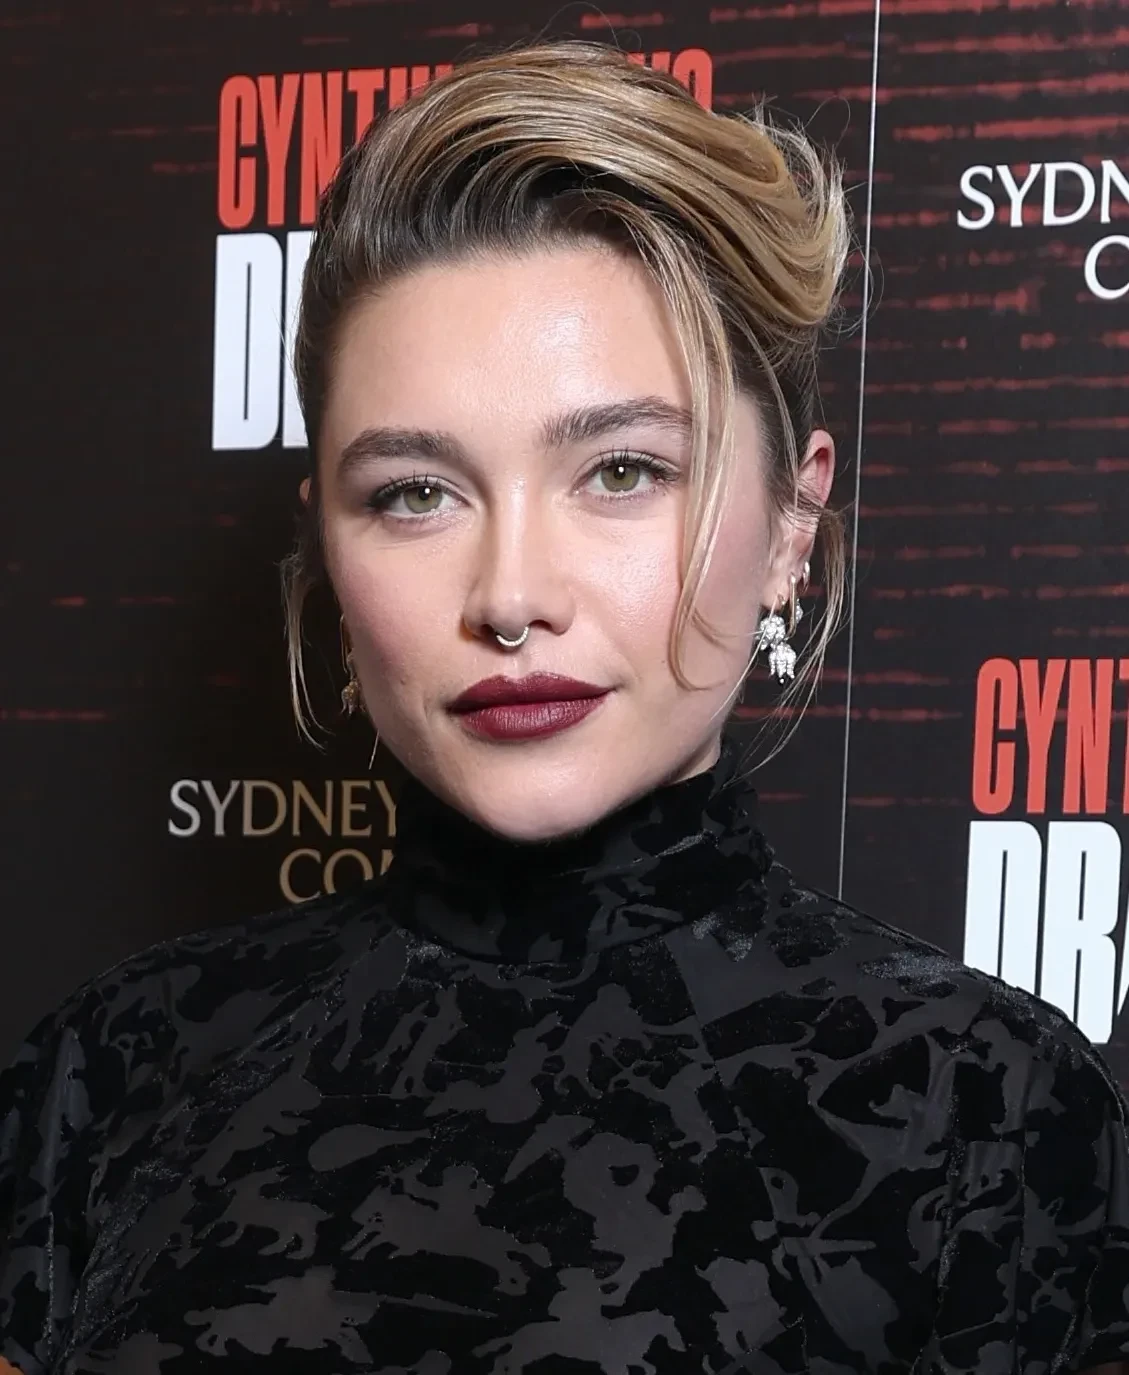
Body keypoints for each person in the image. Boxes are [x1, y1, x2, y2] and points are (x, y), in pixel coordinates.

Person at [1, 38, 1127, 1375]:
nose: (511, 595)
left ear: (791, 521)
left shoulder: (988, 1113)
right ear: (326, 548)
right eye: (414, 493)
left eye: (622, 471)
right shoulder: (108, 1076)